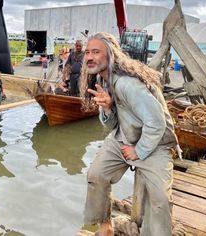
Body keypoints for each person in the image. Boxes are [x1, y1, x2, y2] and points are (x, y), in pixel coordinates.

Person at [80, 32, 178, 236]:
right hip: (124, 138)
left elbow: (156, 122)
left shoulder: (127, 83)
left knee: (160, 200)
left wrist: (139, 150)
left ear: (111, 55)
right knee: (96, 174)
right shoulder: (104, 81)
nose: (89, 57)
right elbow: (114, 124)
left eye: (96, 52)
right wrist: (107, 108)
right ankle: (106, 228)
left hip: (156, 142)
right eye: (87, 52)